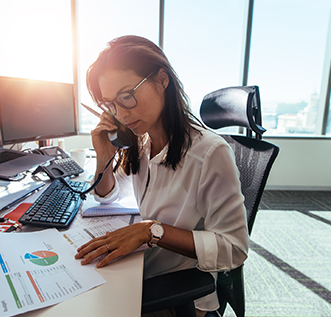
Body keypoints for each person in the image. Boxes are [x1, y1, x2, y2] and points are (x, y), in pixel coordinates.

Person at [75, 35, 249, 315]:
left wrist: (151, 230)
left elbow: (234, 248)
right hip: (145, 268)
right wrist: (105, 157)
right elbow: (108, 194)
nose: (120, 114)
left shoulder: (209, 153)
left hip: (177, 294)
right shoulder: (142, 143)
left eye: (127, 97)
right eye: (111, 105)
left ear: (162, 80)